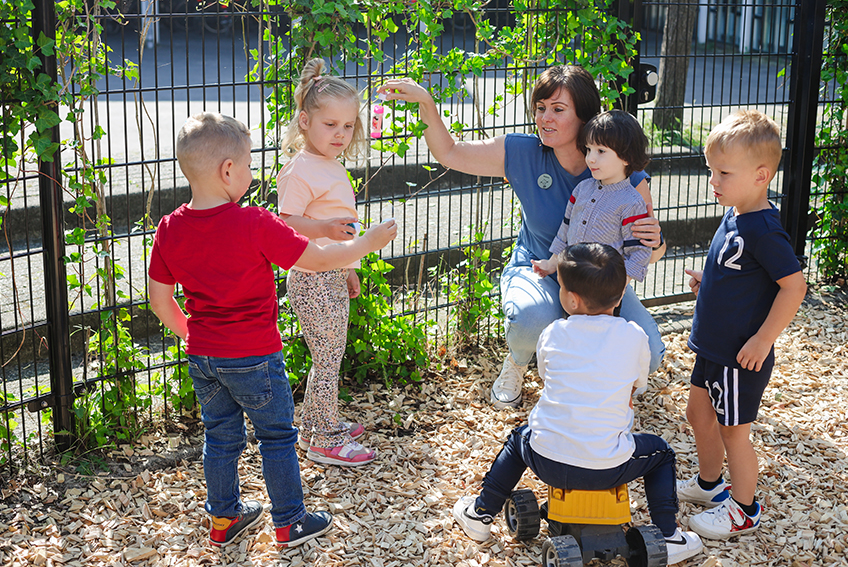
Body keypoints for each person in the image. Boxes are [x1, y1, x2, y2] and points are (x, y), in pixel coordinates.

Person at [147, 112, 397, 547]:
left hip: (204, 358)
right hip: (255, 356)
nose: (249, 173)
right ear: (228, 171)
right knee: (277, 437)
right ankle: (290, 521)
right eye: (246, 165)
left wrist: (192, 334)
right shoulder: (253, 222)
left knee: (221, 437)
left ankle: (223, 520)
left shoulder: (169, 228)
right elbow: (316, 261)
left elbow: (159, 301)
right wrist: (365, 244)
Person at [379, 66, 666, 410]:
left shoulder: (624, 171)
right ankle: (516, 362)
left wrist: (656, 241)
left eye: (558, 110)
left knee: (648, 353)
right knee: (531, 321)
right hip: (540, 266)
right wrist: (426, 102)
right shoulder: (522, 152)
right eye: (540, 108)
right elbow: (450, 152)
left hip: (600, 281)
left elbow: (648, 250)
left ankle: (593, 389)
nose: (545, 118)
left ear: (585, 116)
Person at [451, 243, 703, 565]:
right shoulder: (635, 336)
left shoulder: (553, 333)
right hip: (609, 466)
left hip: (547, 459)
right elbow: (636, 386)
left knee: (518, 441)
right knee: (661, 453)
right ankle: (669, 535)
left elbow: (549, 377)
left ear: (570, 299)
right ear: (620, 294)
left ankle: (480, 513)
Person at [678, 110, 806, 540]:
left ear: (761, 175)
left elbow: (794, 286)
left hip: (740, 357)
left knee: (735, 433)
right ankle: (710, 485)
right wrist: (707, 281)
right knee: (699, 414)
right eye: (711, 170)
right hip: (714, 347)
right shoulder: (735, 213)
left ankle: (744, 508)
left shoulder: (764, 228)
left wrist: (763, 339)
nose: (714, 181)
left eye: (723, 173)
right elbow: (736, 271)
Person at [275, 58, 377, 466]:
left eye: (348, 125)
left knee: (329, 355)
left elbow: (336, 223)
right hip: (311, 276)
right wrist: (328, 231)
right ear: (305, 121)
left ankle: (316, 424)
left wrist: (347, 266)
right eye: (330, 124)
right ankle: (324, 437)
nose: (340, 134)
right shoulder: (299, 170)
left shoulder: (328, 164)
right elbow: (285, 222)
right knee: (328, 357)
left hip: (330, 272)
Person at [531, 110, 653, 291]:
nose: (591, 158)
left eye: (601, 151)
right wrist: (551, 264)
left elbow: (638, 252)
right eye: (588, 150)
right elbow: (565, 229)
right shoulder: (582, 189)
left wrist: (618, 289)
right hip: (570, 282)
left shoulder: (632, 203)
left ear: (626, 157)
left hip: (604, 292)